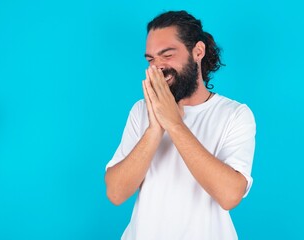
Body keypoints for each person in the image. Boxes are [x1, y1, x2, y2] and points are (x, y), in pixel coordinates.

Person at [105, 10, 256, 240]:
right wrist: (155, 128)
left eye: (167, 55)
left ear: (198, 51)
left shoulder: (234, 114)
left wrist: (174, 124)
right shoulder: (141, 110)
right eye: (151, 59)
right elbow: (116, 193)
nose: (158, 67)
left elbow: (229, 196)